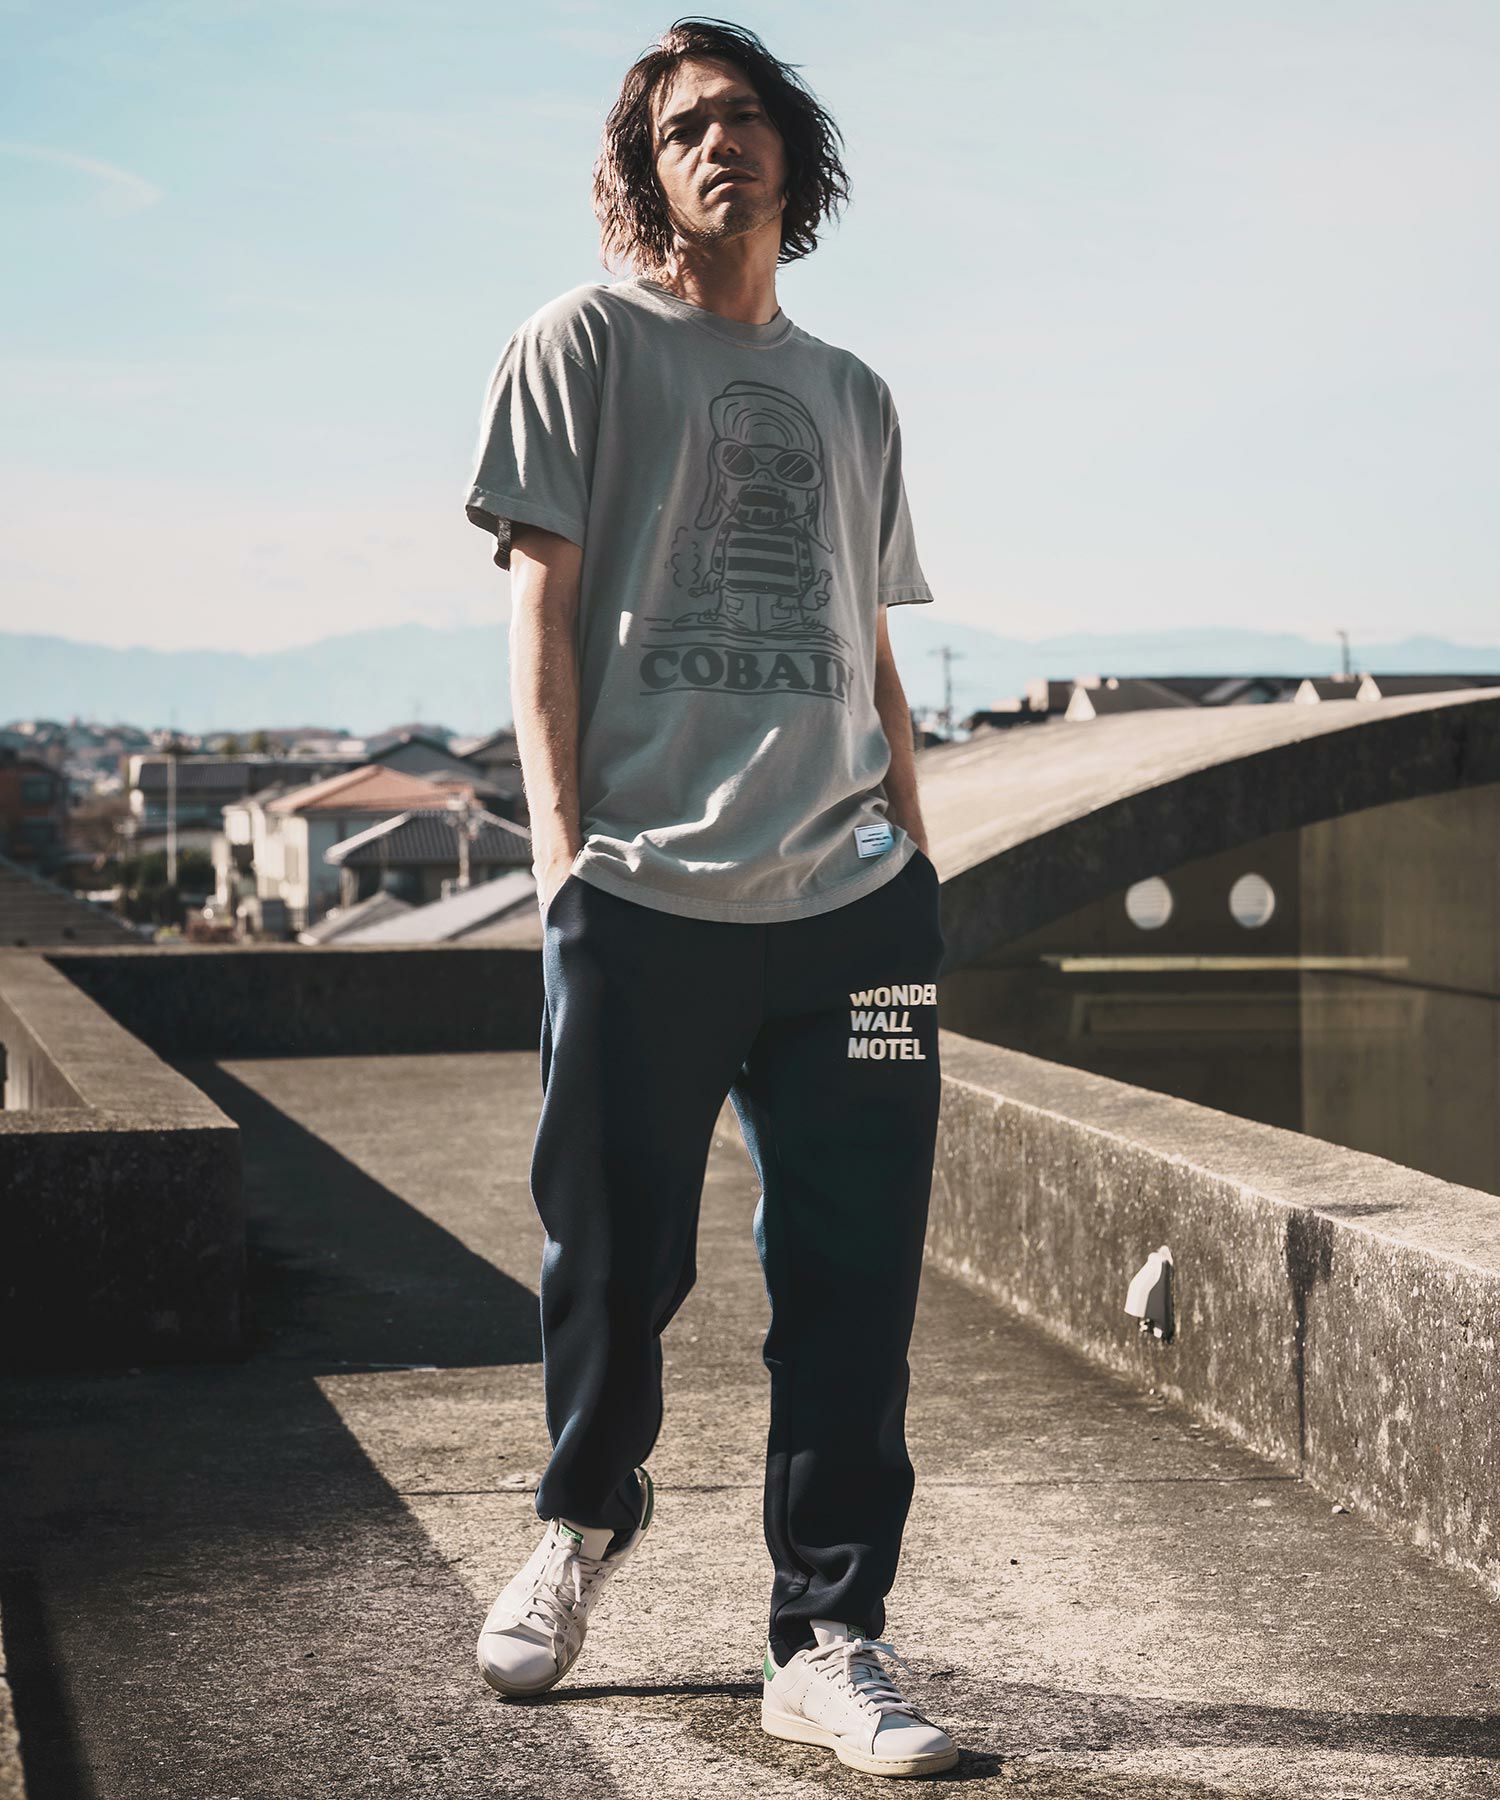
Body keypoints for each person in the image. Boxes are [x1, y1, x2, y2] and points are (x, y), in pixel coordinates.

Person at [462, 17, 958, 1780]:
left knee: (856, 1277)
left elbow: (866, 642)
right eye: (679, 127)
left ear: (792, 153)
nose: (716, 143)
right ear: (643, 170)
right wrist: (560, 863)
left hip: (857, 915)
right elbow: (540, 607)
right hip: (644, 898)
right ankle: (583, 1518)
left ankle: (826, 1636)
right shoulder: (580, 345)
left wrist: (915, 851)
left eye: (743, 115)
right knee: (612, 1257)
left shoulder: (856, 394)